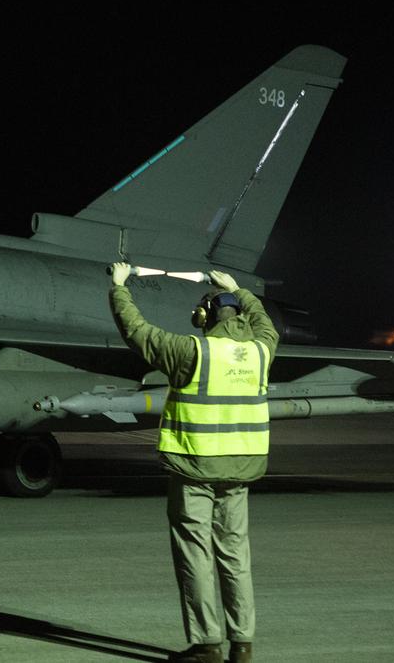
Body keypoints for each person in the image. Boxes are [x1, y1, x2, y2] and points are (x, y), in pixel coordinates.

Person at [108, 262, 278, 663]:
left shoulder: (192, 351)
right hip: (239, 472)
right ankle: (243, 645)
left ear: (205, 316)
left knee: (195, 555)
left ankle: (207, 645)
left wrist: (119, 287)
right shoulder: (261, 350)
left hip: (194, 471)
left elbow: (136, 331)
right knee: (235, 556)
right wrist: (239, 289)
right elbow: (264, 322)